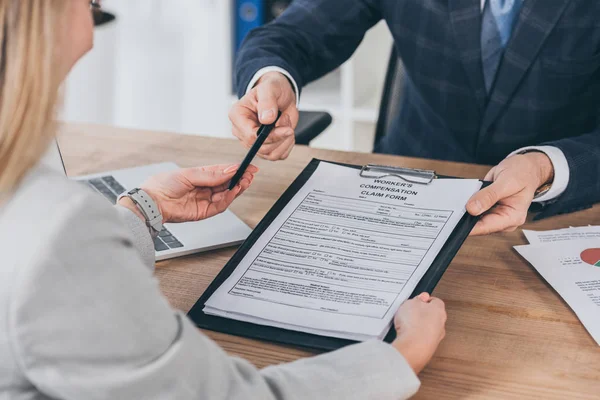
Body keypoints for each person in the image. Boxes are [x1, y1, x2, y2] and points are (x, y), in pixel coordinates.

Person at [0, 1, 447, 399]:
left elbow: (53, 287)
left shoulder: (34, 204)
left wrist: (140, 210)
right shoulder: (57, 226)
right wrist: (402, 358)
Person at [230, 0, 600, 236]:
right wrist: (271, 77)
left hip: (556, 213)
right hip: (408, 187)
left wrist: (546, 167)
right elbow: (292, 33)